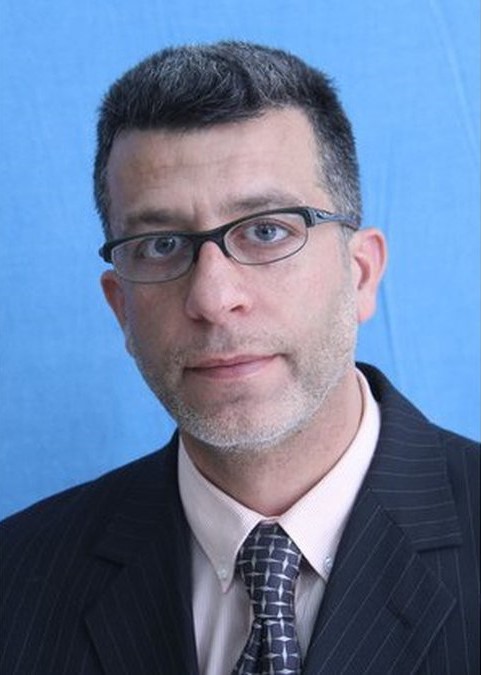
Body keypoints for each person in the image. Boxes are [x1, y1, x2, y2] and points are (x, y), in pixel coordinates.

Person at [1, 41, 479, 675]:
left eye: (266, 230)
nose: (212, 298)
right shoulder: (16, 582)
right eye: (161, 244)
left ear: (361, 274)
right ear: (121, 307)